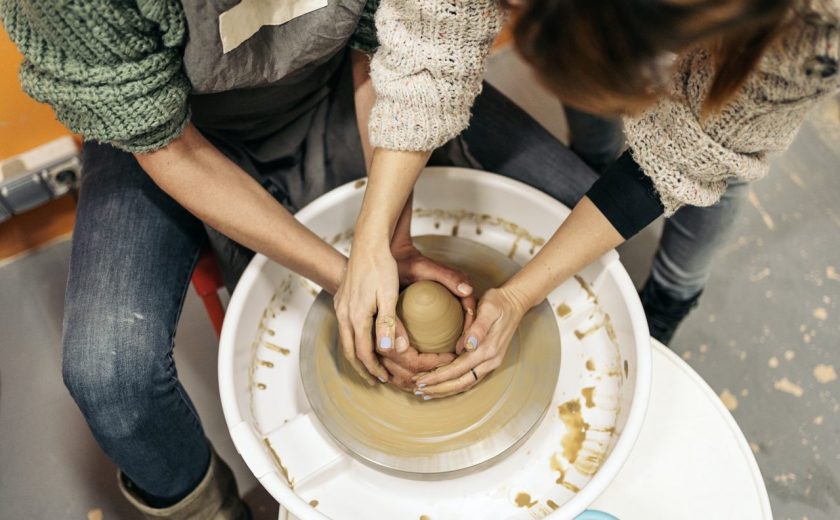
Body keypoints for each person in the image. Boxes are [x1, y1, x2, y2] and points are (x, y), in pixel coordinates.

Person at [1, 0, 617, 516]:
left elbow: (391, 47)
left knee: (573, 203)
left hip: (350, 80)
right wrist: (346, 277)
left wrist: (391, 240)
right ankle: (214, 511)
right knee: (110, 376)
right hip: (169, 135)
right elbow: (169, 150)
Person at [340, 0, 840, 398]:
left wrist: (520, 296)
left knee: (715, 171)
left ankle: (673, 293)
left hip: (741, 70)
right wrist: (375, 238)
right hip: (608, 25)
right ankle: (595, 160)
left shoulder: (811, 33)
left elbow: (687, 154)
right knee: (590, 107)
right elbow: (432, 40)